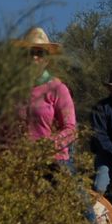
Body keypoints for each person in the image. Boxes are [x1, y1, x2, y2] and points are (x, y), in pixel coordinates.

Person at [8, 26, 78, 168]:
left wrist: (48, 145)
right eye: (29, 53)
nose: (34, 57)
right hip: (20, 162)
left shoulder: (58, 89)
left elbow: (70, 129)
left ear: (46, 59)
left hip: (53, 161)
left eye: (39, 53)